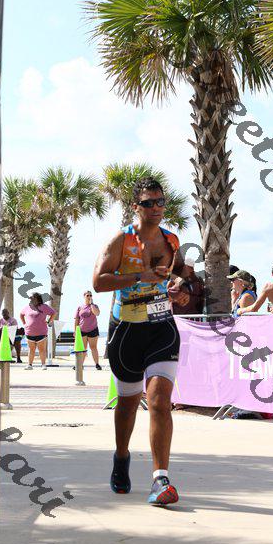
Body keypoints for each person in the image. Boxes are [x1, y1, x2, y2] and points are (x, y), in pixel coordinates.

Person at [93, 177, 190, 506]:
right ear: (136, 206)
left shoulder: (171, 240)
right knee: (128, 403)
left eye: (160, 202)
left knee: (160, 402)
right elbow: (98, 281)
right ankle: (121, 457)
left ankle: (160, 479)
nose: (156, 208)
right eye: (148, 203)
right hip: (127, 332)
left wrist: (178, 288)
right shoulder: (122, 240)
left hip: (162, 328)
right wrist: (140, 277)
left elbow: (176, 273)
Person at [20, 293, 56, 370]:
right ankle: (29, 365)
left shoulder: (44, 307)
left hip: (41, 332)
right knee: (31, 349)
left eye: (32, 298)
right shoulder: (27, 307)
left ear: (37, 298)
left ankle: (43, 365)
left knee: (42, 350)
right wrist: (24, 324)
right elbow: (21, 314)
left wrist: (49, 321)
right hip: (29, 332)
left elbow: (53, 313)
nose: (30, 299)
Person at [74, 291, 102, 370]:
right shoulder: (80, 307)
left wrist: (92, 304)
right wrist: (75, 331)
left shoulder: (94, 306)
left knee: (93, 347)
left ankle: (97, 364)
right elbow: (77, 319)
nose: (89, 296)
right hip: (82, 330)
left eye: (90, 295)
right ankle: (80, 364)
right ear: (84, 296)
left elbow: (97, 313)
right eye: (87, 295)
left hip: (93, 329)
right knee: (82, 348)